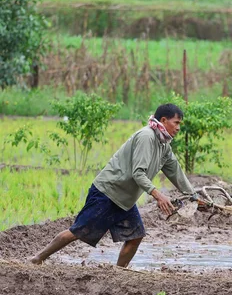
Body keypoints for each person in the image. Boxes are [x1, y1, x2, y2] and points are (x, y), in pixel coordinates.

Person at [30, 103, 196, 267]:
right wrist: (158, 195)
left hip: (125, 199)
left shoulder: (163, 144)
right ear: (164, 120)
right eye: (176, 123)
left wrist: (193, 196)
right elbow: (138, 173)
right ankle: (38, 258)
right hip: (108, 192)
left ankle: (118, 273)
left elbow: (175, 171)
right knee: (78, 232)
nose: (179, 127)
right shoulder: (147, 137)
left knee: (135, 236)